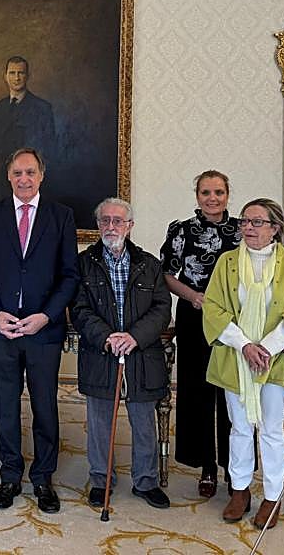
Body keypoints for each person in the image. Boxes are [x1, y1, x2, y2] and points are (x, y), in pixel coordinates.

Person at [0, 147, 79, 514]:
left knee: (45, 405)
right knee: (5, 405)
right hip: (3, 328)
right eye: (17, 173)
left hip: (41, 330)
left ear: (42, 175)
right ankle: (10, 475)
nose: (24, 179)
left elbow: (69, 275)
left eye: (30, 172)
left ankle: (43, 477)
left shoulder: (61, 216)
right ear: (9, 177)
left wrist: (46, 316)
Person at [203, 198, 284, 531]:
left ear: (275, 228)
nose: (248, 228)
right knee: (238, 428)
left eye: (257, 222)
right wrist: (245, 345)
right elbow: (214, 307)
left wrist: (264, 347)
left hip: (273, 362)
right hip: (235, 358)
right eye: (245, 222)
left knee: (271, 429)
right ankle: (239, 491)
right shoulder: (227, 262)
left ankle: (272, 496)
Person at [71, 197, 173, 510]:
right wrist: (106, 337)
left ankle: (146, 481)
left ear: (129, 226)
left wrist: (134, 337)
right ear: (97, 225)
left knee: (144, 422)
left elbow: (161, 308)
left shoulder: (149, 263)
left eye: (118, 221)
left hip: (141, 354)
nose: (111, 226)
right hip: (101, 352)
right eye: (105, 220)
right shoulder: (83, 263)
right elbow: (78, 308)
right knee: (100, 423)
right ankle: (101, 480)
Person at [160, 170, 242, 499]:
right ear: (197, 195)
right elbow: (167, 275)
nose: (212, 198)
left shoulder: (242, 229)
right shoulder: (181, 231)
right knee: (198, 391)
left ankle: (235, 465)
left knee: (233, 392)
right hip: (195, 317)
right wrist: (193, 296)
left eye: (219, 192)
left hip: (235, 320)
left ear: (227, 194)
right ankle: (207, 465)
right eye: (206, 192)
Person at [0, 56, 55, 202]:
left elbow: (49, 148)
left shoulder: (42, 108)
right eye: (12, 73)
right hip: (1, 181)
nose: (16, 78)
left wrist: (38, 179)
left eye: (20, 73)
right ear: (5, 76)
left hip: (30, 181)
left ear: (27, 76)